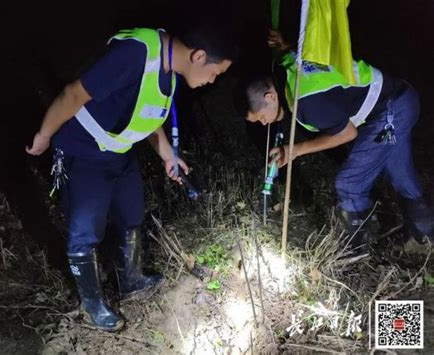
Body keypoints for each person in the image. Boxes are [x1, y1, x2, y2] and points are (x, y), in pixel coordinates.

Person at [26, 25, 236, 331]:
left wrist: (167, 155)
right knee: (85, 232)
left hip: (120, 151)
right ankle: (93, 304)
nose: (212, 80)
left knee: (131, 213)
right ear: (199, 56)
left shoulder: (171, 71)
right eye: (215, 72)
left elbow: (149, 116)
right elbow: (73, 93)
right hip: (84, 150)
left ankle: (132, 279)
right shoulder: (137, 53)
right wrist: (44, 135)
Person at [235, 29, 433, 246]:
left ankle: (357, 248)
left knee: (350, 181)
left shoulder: (307, 102)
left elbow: (347, 133)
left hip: (391, 112)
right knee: (398, 170)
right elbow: (292, 52)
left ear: (270, 97)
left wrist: (295, 150)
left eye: (261, 117)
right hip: (400, 98)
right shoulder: (289, 69)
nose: (265, 123)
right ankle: (423, 232)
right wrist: (283, 44)